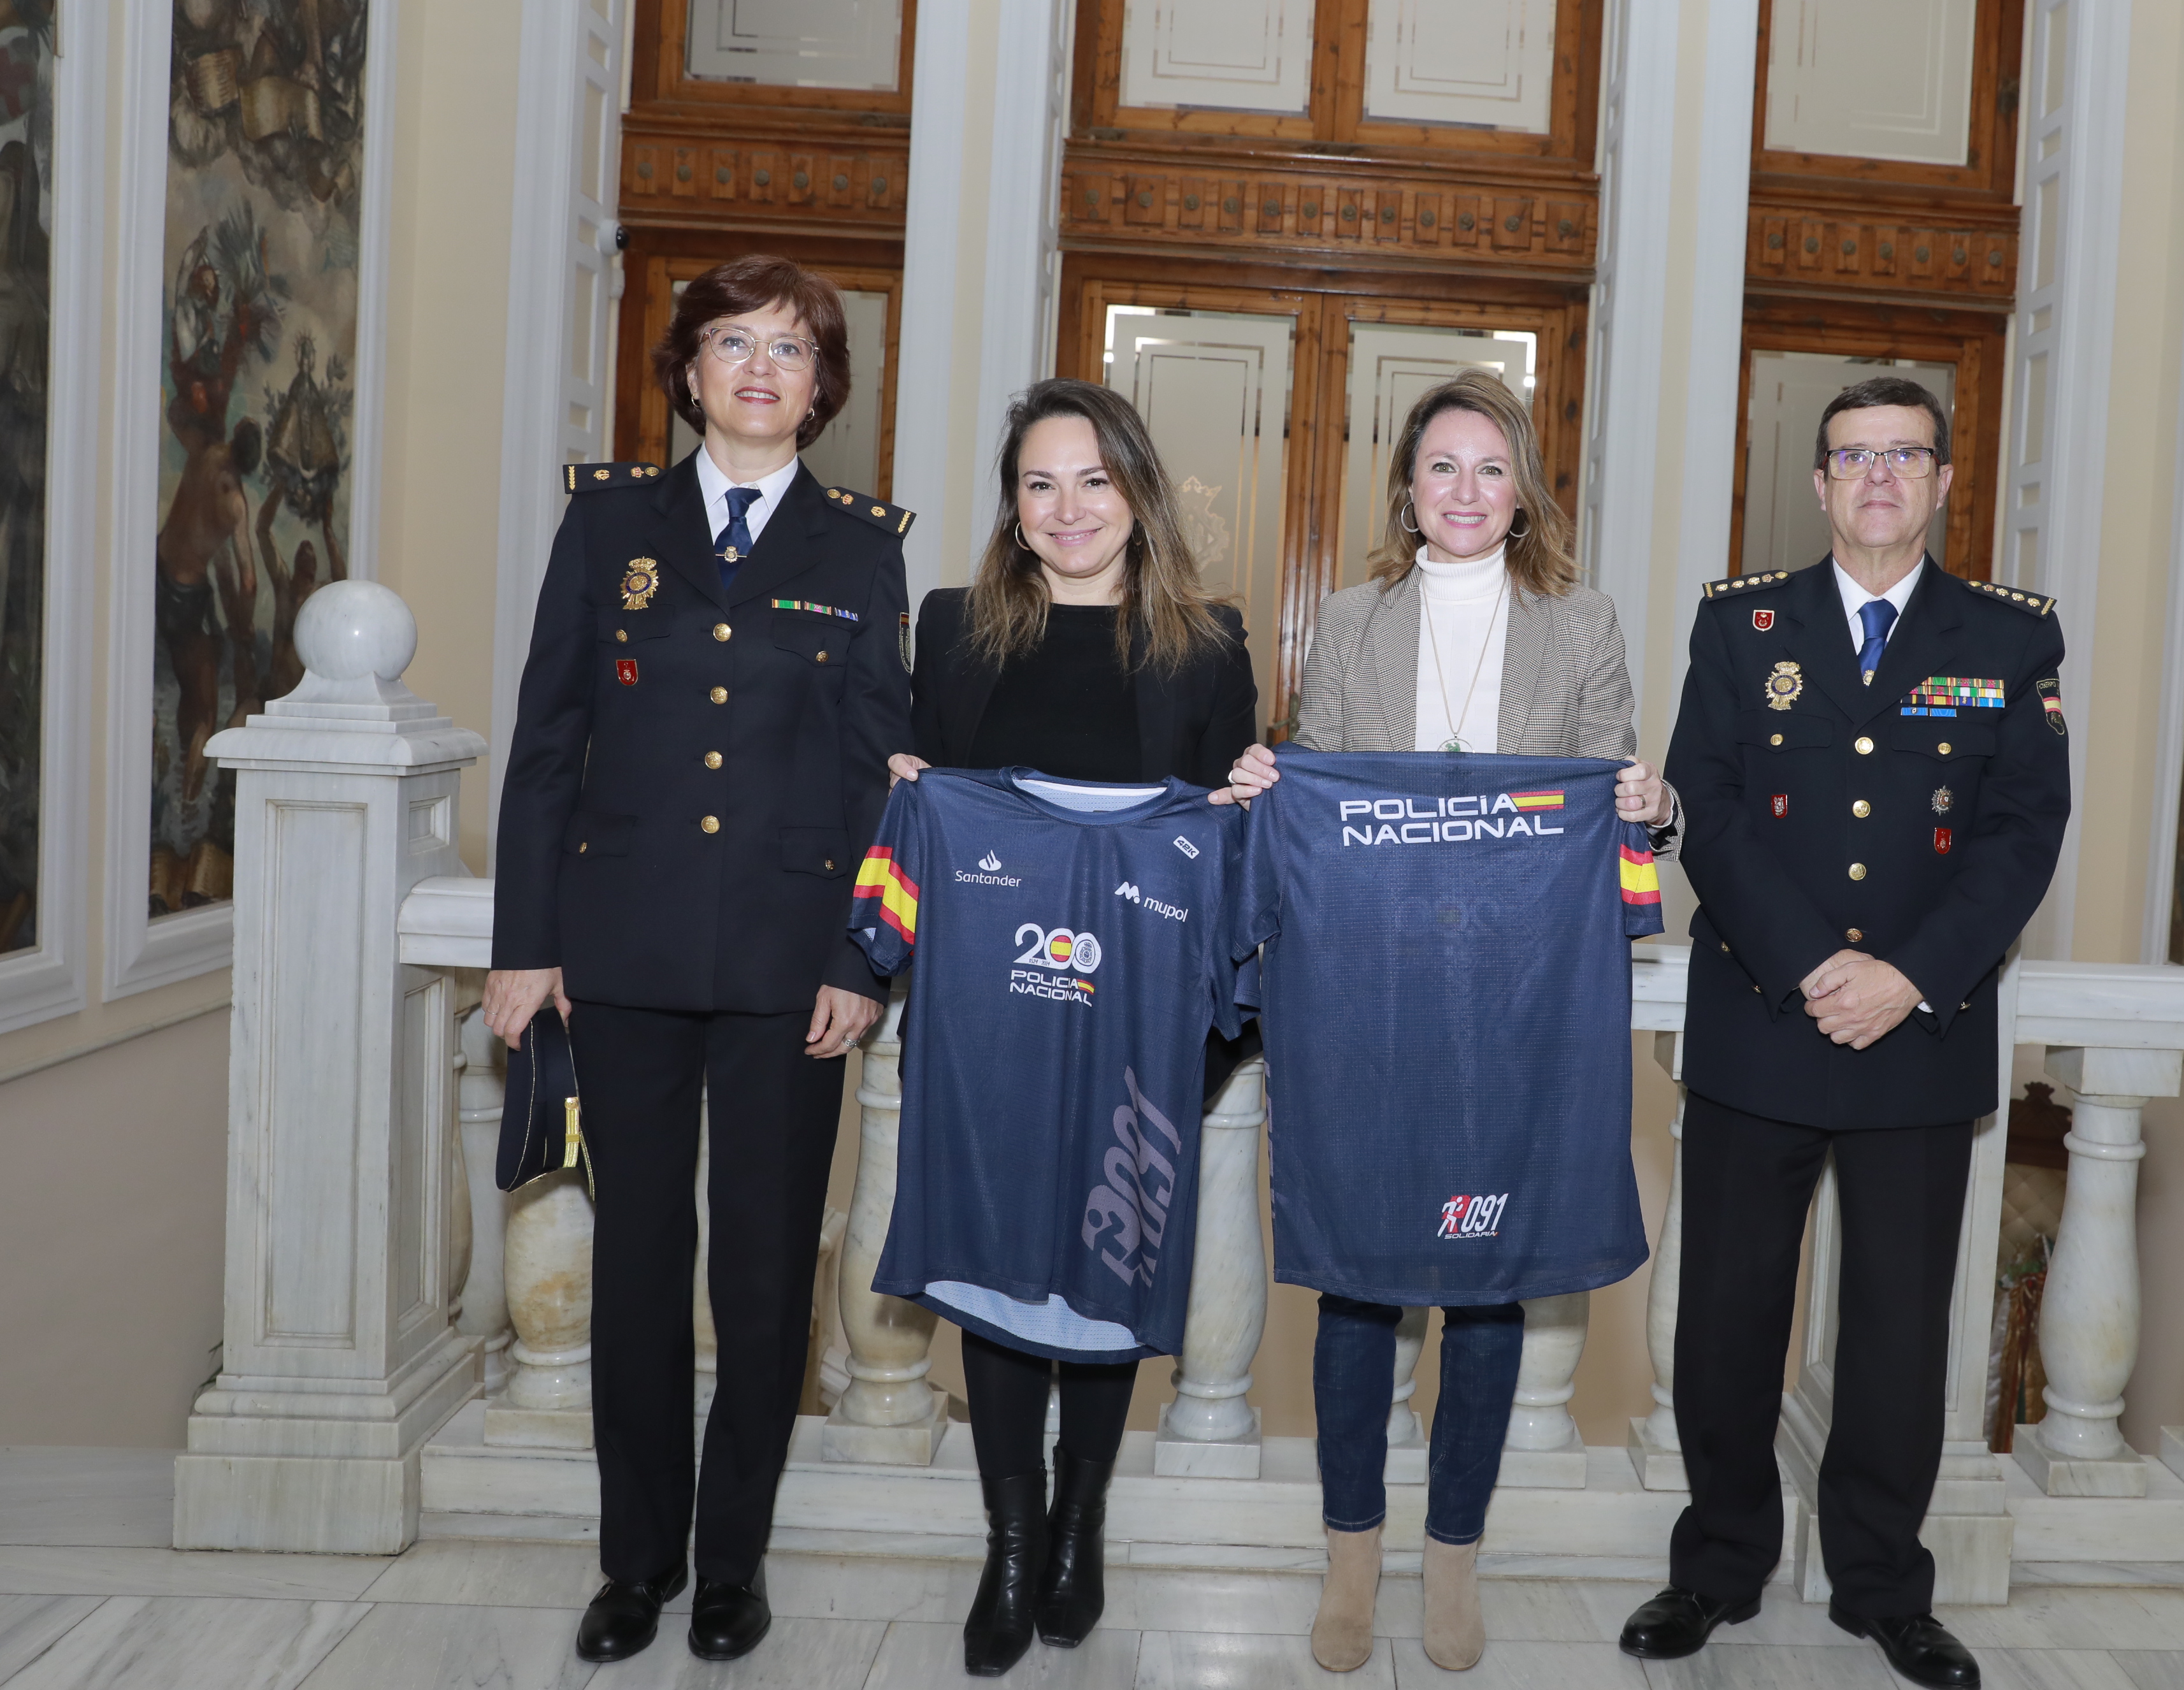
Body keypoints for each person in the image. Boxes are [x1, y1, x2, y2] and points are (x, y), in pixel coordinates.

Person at [485, 254, 912, 1666]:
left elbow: (873, 776)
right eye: (732, 343)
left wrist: (866, 954)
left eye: (789, 350)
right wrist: (525, 945)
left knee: (767, 1275)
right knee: (639, 1269)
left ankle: (733, 1561)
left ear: (820, 388)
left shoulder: (859, 546)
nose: (758, 369)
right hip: (625, 954)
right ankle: (636, 1561)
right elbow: (549, 743)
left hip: (794, 966)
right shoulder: (613, 525)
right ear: (686, 373)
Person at [1221, 367, 1674, 1673]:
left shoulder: (1582, 628)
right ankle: (1352, 1559)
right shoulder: (1353, 624)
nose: (1466, 492)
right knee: (1359, 1290)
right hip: (1372, 1000)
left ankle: (1457, 1566)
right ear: (1407, 488)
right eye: (1441, 468)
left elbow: (1618, 810)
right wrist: (1267, 783)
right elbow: (1319, 807)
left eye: (1490, 468)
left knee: (1491, 1291)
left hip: (1520, 1013)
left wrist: (1649, 808)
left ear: (1523, 488)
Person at [1625, 376, 2071, 1689]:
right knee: (1725, 1318)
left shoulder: (2009, 640)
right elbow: (1705, 793)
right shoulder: (1738, 624)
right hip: (1765, 1018)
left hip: (1920, 1037)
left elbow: (2022, 836)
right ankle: (1713, 1567)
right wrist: (1816, 962)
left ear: (1942, 483)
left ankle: (1881, 1585)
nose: (1878, 475)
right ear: (1818, 486)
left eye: (1905, 454)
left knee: (1896, 1331)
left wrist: (1909, 977)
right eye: (1852, 456)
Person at [882, 377, 1258, 1676]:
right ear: (1013, 507)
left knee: (1112, 1256)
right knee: (997, 1268)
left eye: (1094, 481)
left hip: (1143, 1025)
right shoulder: (954, 631)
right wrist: (904, 788)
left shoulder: (1208, 646)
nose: (1068, 509)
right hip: (996, 1014)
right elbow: (921, 810)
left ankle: (1082, 1519)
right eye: (1040, 485)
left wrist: (1248, 796)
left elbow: (1235, 855)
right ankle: (1008, 1535)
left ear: (1139, 493)